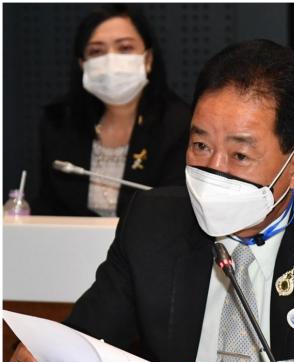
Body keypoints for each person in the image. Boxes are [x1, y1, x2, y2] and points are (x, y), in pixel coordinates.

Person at [11, 40, 294, 362]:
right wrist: (49, 358)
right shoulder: (153, 221)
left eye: (240, 155)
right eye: (200, 145)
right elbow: (87, 337)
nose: (214, 169)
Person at [32, 5, 190, 217]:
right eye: (96, 51)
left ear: (148, 59)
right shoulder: (59, 122)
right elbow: (47, 207)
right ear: (82, 64)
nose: (111, 61)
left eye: (124, 48)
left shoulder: (180, 125)